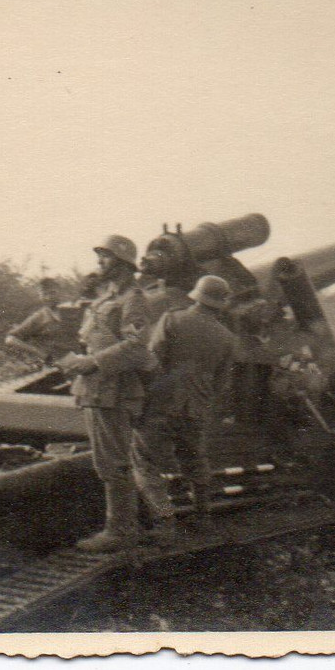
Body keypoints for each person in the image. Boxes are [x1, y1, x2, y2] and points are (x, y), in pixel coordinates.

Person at [56, 235, 150, 553]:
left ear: (123, 264)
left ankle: (122, 531)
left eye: (106, 257)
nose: (99, 262)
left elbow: (136, 347)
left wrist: (92, 362)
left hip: (114, 390)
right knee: (105, 460)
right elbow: (92, 338)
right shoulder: (105, 297)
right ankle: (118, 526)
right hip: (97, 388)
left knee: (114, 461)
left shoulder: (133, 299)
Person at [131, 275, 236, 544]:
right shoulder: (226, 337)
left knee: (144, 463)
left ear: (196, 296)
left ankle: (165, 522)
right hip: (196, 409)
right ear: (220, 303)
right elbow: (223, 383)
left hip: (161, 404)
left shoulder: (172, 319)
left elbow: (151, 359)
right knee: (195, 460)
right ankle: (203, 517)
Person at [5, 278, 72, 365]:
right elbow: (10, 339)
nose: (48, 297)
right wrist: (40, 353)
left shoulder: (71, 311)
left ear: (60, 292)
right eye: (44, 294)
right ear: (40, 296)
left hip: (80, 363)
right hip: (56, 366)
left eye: (52, 292)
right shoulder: (40, 317)